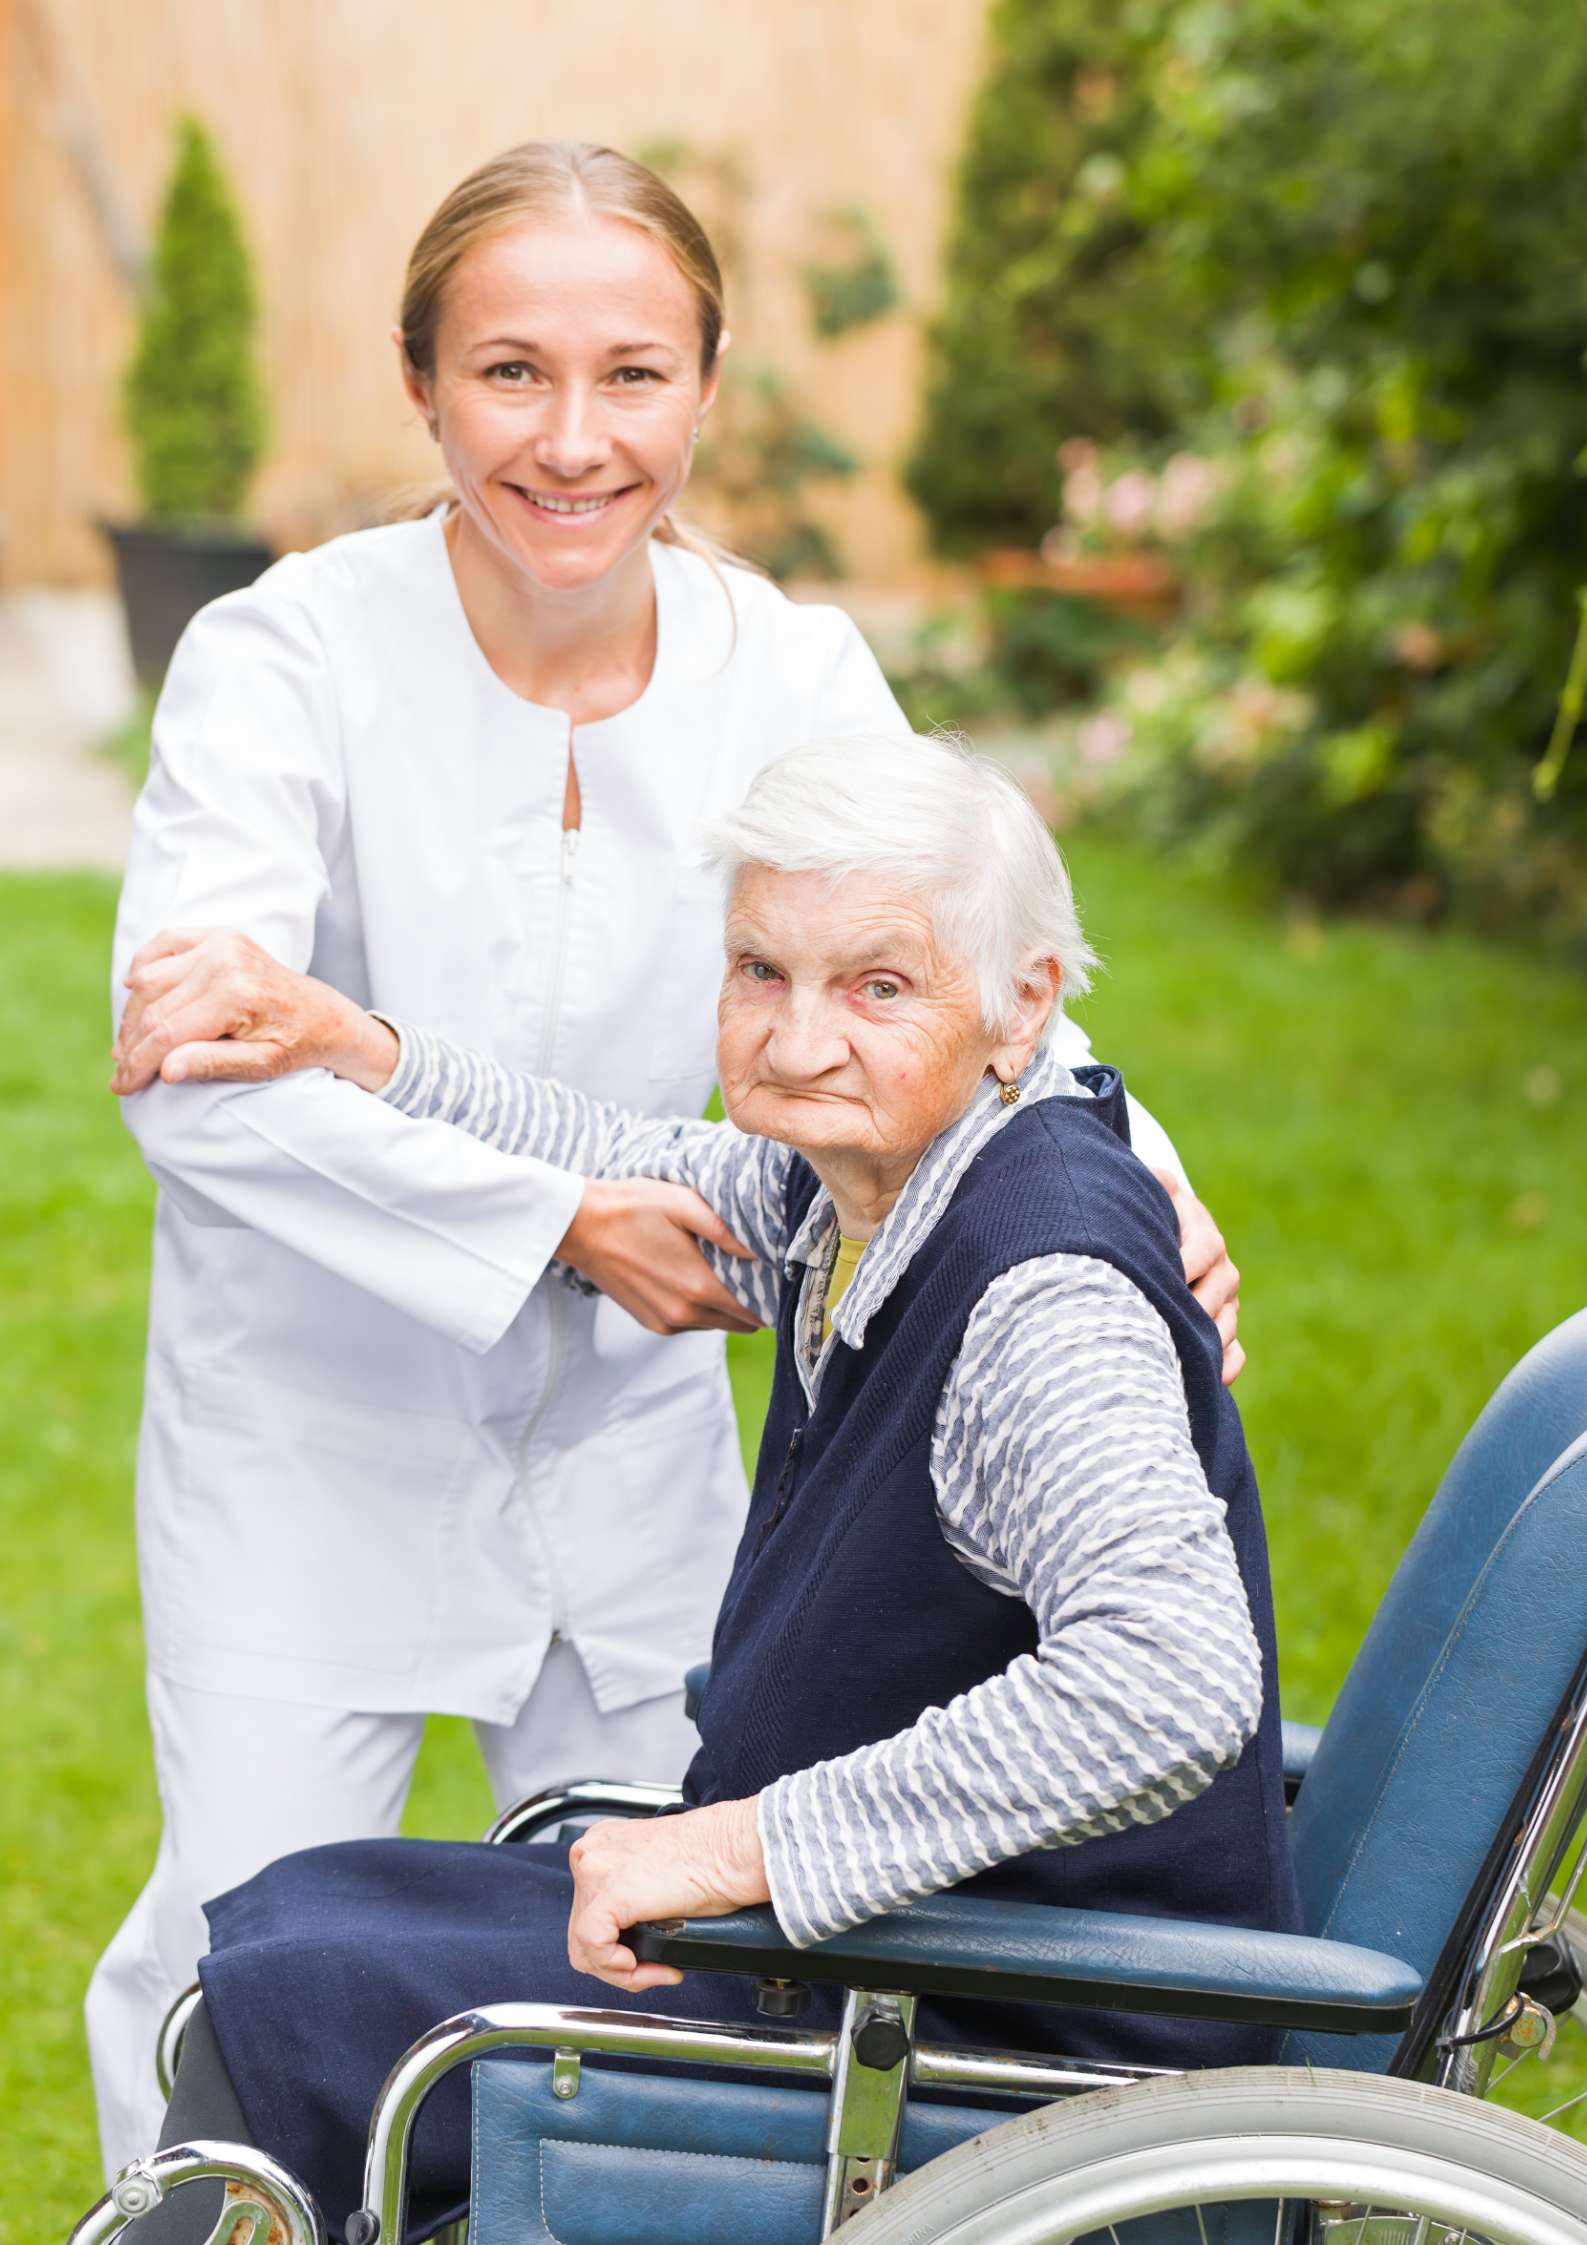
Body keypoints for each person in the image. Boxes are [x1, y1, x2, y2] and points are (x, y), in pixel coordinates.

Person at [101, 139, 1235, 2175]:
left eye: (632, 375)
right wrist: (556, 1218)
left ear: (705, 386)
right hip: (312, 1443)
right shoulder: (287, 657)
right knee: (228, 1957)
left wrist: (1132, 1164)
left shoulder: (785, 671)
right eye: (509, 373)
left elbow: (954, 948)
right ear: (422, 385)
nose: (571, 438)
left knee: (644, 2008)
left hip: (649, 1471)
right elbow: (200, 1074)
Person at [126, 735, 1290, 2243]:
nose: (798, 1042)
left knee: (305, 1995)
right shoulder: (858, 1188)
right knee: (303, 1917)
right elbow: (619, 1151)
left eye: (877, 987)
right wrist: (352, 1040)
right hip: (879, 1942)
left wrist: (735, 1845)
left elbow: (1168, 1680)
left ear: (1025, 1004)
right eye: (759, 972)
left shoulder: (1037, 1291)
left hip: (1017, 2017)